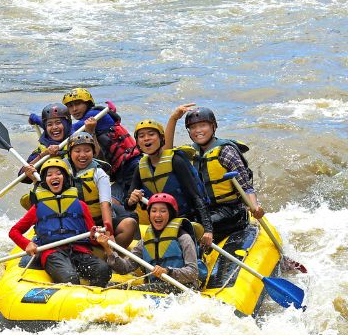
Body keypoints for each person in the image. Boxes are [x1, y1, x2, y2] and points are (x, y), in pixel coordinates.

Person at [165, 104, 264, 243]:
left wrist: (255, 207)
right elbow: (165, 153)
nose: (198, 130)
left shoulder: (226, 152)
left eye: (203, 125)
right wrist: (173, 119)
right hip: (202, 210)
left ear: (213, 127)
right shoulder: (189, 153)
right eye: (193, 127)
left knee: (189, 227)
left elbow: (246, 187)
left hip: (231, 211)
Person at [23, 131, 138, 248]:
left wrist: (109, 231)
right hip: (70, 222)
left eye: (87, 151)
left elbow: (105, 204)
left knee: (129, 224)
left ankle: (109, 255)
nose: (82, 155)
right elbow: (45, 194)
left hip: (96, 222)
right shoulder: (59, 170)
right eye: (77, 151)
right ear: (70, 153)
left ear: (93, 153)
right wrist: (34, 178)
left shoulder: (99, 173)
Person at [8, 157, 112, 286]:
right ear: (45, 181)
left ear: (66, 178)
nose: (54, 177)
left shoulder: (80, 205)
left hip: (79, 251)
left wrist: (95, 235)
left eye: (58, 174)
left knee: (103, 270)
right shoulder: (38, 208)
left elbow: (91, 237)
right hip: (53, 253)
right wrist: (26, 244)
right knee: (70, 278)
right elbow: (14, 231)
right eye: (49, 175)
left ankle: (94, 295)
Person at [125, 118, 213, 247]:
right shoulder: (141, 167)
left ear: (161, 138)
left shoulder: (176, 161)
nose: (146, 139)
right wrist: (131, 200)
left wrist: (208, 230)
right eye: (141, 136)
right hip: (160, 223)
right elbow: (129, 206)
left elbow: (196, 197)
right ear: (137, 142)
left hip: (187, 221)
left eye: (151, 134)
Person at [96, 193, 205, 291]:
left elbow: (193, 272)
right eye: (154, 211)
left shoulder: (183, 237)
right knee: (110, 286)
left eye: (163, 211)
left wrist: (168, 271)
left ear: (170, 214)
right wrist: (109, 250)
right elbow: (125, 268)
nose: (157, 215)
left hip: (184, 287)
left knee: (140, 289)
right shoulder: (145, 242)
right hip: (156, 287)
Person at [61, 87, 141, 203]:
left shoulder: (95, 115)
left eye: (78, 104)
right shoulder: (92, 118)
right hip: (120, 172)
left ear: (87, 103)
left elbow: (68, 132)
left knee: (117, 200)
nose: (74, 109)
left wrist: (40, 121)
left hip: (131, 165)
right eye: (70, 106)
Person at [20, 103, 71, 182]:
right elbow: (22, 177)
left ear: (67, 124)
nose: (54, 127)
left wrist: (91, 131)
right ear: (45, 127)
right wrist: (44, 155)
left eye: (58, 122)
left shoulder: (77, 139)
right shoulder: (42, 149)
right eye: (49, 124)